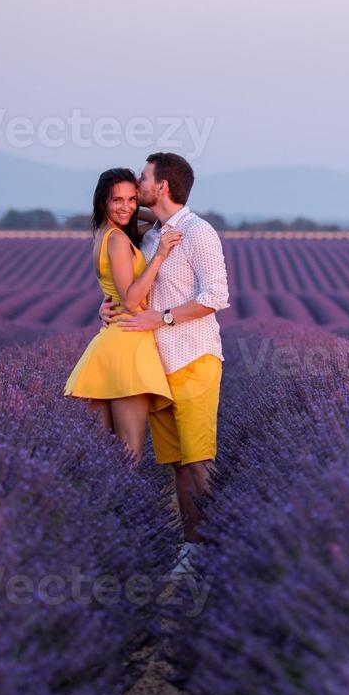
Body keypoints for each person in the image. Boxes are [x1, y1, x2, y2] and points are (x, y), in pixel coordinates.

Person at [106, 153, 230, 548]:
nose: (137, 184)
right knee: (178, 464)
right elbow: (130, 286)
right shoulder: (152, 235)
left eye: (143, 178)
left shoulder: (199, 232)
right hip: (158, 366)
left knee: (199, 462)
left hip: (195, 357)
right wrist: (108, 303)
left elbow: (216, 296)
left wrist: (163, 319)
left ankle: (219, 551)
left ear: (161, 186)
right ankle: (191, 550)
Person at [63, 168, 180, 460]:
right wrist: (160, 256)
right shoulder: (117, 240)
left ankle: (103, 506)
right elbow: (130, 300)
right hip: (128, 346)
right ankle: (127, 507)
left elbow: (156, 219)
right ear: (102, 201)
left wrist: (136, 205)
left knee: (103, 456)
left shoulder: (105, 234)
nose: (126, 207)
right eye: (117, 200)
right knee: (131, 453)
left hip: (109, 345)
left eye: (131, 199)